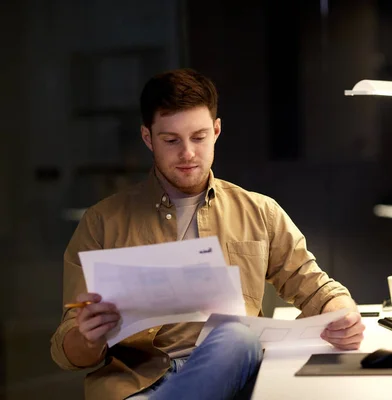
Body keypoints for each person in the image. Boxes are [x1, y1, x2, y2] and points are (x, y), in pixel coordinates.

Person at [50, 68, 365, 400]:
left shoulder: (259, 211)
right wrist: (87, 338)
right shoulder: (102, 221)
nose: (187, 153)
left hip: (230, 371)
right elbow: (65, 349)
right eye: (171, 140)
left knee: (238, 336)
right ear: (148, 138)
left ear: (216, 131)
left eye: (198, 137)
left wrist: (342, 311)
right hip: (136, 384)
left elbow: (314, 285)